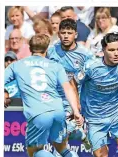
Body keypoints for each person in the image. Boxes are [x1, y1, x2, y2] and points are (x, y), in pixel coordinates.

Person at [4, 34, 94, 157]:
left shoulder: (17, 65)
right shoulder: (55, 65)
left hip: (38, 112)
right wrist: (76, 111)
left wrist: (4, 93)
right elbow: (68, 88)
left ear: (30, 49)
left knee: (34, 151)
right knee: (62, 147)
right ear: (47, 49)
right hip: (58, 110)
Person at [47, 19, 94, 149]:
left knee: (62, 135)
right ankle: (81, 135)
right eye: (63, 33)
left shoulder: (86, 54)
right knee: (54, 132)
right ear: (58, 34)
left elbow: (93, 76)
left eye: (69, 32)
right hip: (54, 98)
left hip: (74, 99)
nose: (66, 36)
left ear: (76, 35)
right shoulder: (51, 51)